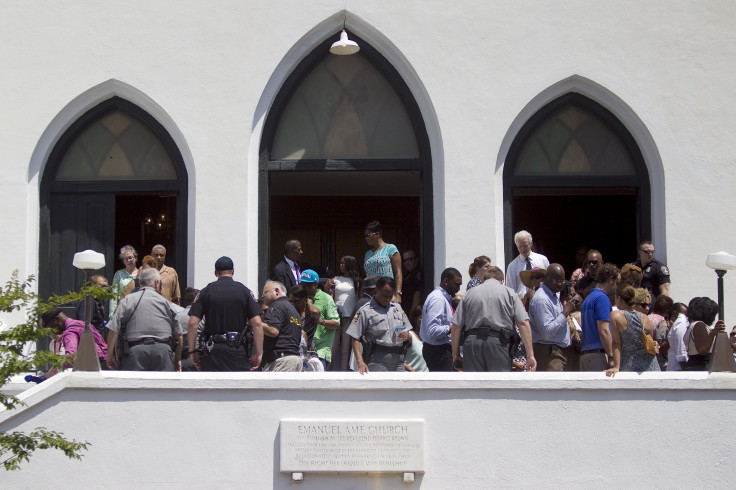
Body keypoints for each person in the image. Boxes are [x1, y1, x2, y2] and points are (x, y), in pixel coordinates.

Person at [187, 256, 264, 371]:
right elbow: (257, 323)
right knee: (237, 388)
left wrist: (192, 351)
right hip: (237, 350)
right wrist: (259, 353)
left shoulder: (205, 292)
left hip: (212, 351)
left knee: (212, 387)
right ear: (233, 271)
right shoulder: (244, 291)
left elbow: (193, 323)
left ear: (215, 273)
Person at [450, 270, 536, 372]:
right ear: (501, 280)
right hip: (499, 344)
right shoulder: (510, 293)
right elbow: (523, 323)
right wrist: (530, 355)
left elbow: (456, 326)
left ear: (484, 280)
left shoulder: (469, 294)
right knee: (498, 385)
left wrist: (455, 355)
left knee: (474, 385)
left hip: (472, 344)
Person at [105, 267, 182, 371]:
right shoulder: (167, 303)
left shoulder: (127, 300)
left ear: (140, 283)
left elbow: (113, 329)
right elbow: (179, 336)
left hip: (135, 353)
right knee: (163, 387)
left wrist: (109, 355)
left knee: (134, 386)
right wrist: (177, 360)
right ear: (156, 283)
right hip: (163, 352)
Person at [347, 276, 412, 373]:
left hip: (399, 359)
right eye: (384, 296)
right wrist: (360, 362)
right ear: (377, 290)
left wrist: (407, 335)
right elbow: (355, 338)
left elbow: (408, 331)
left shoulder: (397, 308)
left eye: (390, 296)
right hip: (377, 359)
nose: (387, 299)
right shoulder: (365, 310)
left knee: (399, 387)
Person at [605, 284, 660, 376]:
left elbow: (616, 343)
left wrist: (616, 366)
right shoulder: (644, 317)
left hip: (629, 366)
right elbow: (651, 340)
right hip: (650, 366)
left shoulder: (616, 315)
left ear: (618, 298)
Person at [528, 264, 574, 371]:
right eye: (555, 280)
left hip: (557, 351)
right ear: (546, 278)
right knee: (553, 387)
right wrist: (565, 312)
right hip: (549, 353)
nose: (559, 284)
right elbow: (547, 333)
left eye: (561, 281)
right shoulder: (542, 299)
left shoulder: (553, 295)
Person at [419, 268, 463, 371]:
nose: (458, 288)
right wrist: (453, 328)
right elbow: (433, 331)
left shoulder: (444, 298)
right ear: (446, 281)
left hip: (442, 350)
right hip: (438, 351)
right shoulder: (437, 299)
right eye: (456, 284)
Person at [323, 255, 362, 371]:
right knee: (333, 347)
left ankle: (343, 372)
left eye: (343, 263)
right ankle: (328, 371)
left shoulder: (358, 281)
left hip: (349, 316)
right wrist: (326, 287)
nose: (341, 265)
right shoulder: (336, 279)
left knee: (346, 348)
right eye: (340, 263)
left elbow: (359, 298)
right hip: (336, 315)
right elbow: (329, 295)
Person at [579, 263, 620, 371]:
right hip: (598, 356)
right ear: (611, 279)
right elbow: (604, 330)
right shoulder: (602, 298)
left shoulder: (588, 299)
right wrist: (611, 355)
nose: (617, 286)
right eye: (617, 283)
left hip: (585, 356)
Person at [41, 309, 108, 373]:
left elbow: (70, 358)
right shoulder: (82, 324)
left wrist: (62, 367)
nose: (53, 331)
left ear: (58, 319)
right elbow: (102, 344)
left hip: (93, 369)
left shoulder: (70, 332)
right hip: (105, 364)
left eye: (51, 327)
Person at [299, 269, 340, 369]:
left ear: (316, 284)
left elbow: (336, 323)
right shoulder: (299, 298)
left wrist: (320, 321)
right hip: (301, 351)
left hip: (319, 351)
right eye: (302, 285)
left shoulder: (326, 299)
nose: (305, 288)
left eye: (308, 286)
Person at [260, 280, 302, 372]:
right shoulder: (293, 310)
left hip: (281, 362)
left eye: (265, 292)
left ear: (277, 291)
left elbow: (273, 331)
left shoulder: (277, 306)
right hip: (294, 360)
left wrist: (255, 323)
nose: (262, 296)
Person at [363, 221, 402, 301]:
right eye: (365, 236)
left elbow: (398, 272)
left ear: (377, 234)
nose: (366, 238)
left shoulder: (390, 248)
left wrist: (398, 293)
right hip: (372, 294)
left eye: (368, 235)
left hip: (387, 292)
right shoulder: (368, 254)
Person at [682, 297, 724, 370]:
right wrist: (713, 332)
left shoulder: (691, 326)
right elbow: (702, 350)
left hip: (693, 364)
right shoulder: (699, 325)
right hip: (701, 366)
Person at [505, 230, 549, 298]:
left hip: (541, 299)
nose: (523, 249)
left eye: (525, 246)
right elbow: (510, 290)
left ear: (531, 244)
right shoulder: (512, 266)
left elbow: (549, 281)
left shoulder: (543, 260)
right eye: (520, 247)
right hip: (522, 303)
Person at [75, 273, 109, 341]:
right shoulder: (88, 302)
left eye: (106, 287)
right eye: (102, 286)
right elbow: (84, 325)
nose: (104, 289)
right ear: (92, 285)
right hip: (91, 343)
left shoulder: (97, 301)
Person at [648, 294, 674, 370]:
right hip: (659, 361)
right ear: (667, 310)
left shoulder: (646, 317)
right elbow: (660, 346)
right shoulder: (662, 322)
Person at [110, 245, 138, 314]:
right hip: (123, 308)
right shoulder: (119, 274)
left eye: (130, 257)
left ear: (135, 258)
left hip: (137, 308)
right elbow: (114, 294)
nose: (129, 260)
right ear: (123, 261)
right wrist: (112, 313)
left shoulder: (141, 273)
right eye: (126, 259)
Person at [667, 302, 690, 371]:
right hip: (678, 368)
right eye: (685, 314)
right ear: (674, 314)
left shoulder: (676, 324)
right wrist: (685, 369)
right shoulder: (681, 322)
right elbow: (681, 349)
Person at [400, 250, 423, 315]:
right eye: (405, 260)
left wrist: (412, 315)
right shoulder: (407, 275)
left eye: (410, 259)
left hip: (411, 312)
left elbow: (417, 295)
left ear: (416, 260)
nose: (407, 263)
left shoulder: (417, 274)